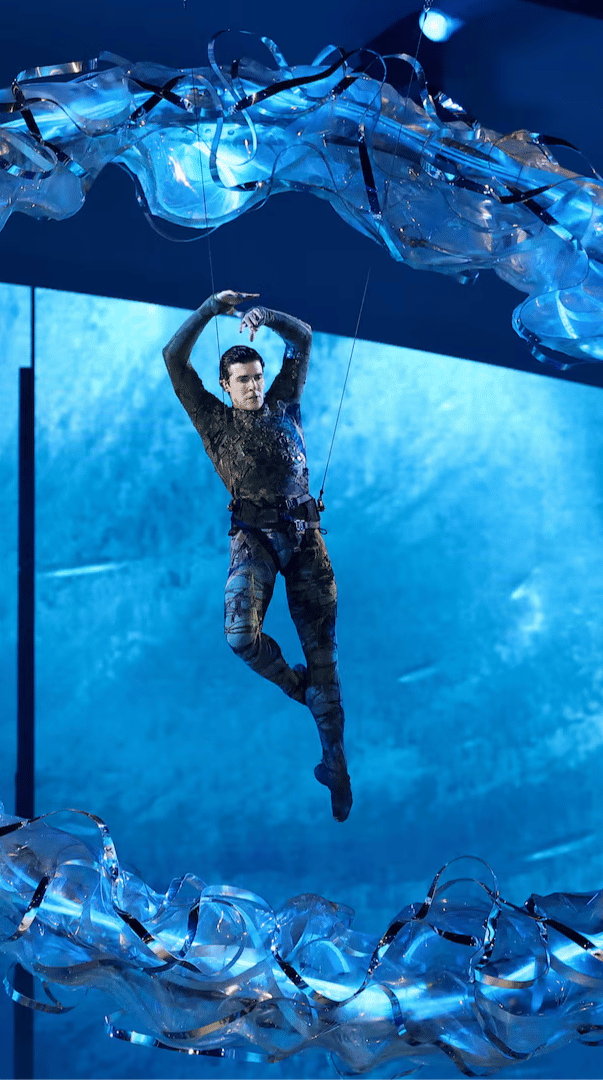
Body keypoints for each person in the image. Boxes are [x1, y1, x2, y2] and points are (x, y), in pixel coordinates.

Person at [161, 289, 352, 822]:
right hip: (256, 540)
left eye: (256, 377)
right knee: (241, 635)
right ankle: (300, 693)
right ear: (225, 386)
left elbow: (304, 336)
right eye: (242, 380)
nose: (252, 386)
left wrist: (267, 317)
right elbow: (173, 360)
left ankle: (335, 764)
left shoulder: (285, 401)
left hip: (306, 541)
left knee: (326, 656)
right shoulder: (214, 420)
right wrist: (207, 310)